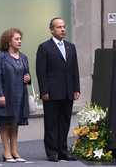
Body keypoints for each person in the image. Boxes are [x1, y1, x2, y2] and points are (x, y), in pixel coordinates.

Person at [36, 17, 80, 162]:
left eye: (64, 27)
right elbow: (41, 72)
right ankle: (52, 152)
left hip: (68, 92)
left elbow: (75, 70)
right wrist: (44, 91)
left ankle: (63, 150)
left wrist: (76, 88)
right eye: (59, 27)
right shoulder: (44, 47)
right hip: (52, 93)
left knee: (65, 122)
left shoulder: (70, 46)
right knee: (51, 123)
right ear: (52, 29)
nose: (62, 29)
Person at [0, 28, 31, 163]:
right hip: (6, 95)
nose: (20, 41)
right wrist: (0, 95)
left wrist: (28, 78)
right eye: (16, 39)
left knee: (15, 124)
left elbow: (27, 75)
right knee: (5, 123)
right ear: (9, 41)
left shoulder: (24, 57)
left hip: (20, 95)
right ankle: (6, 152)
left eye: (20, 39)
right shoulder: (0, 57)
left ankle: (15, 151)